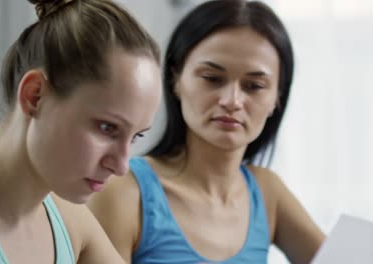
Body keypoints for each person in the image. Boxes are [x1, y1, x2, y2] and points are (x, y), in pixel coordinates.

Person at [88, 0, 325, 263]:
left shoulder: (268, 192)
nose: (232, 100)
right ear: (176, 79)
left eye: (255, 85)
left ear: (276, 98)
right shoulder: (124, 191)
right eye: (213, 78)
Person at [0, 0, 161, 263]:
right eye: (107, 128)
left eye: (136, 136)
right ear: (35, 96)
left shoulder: (69, 218)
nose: (121, 167)